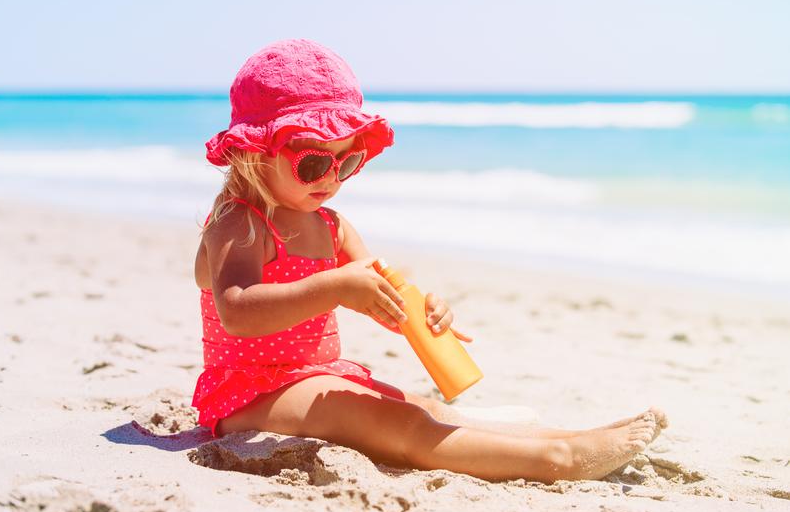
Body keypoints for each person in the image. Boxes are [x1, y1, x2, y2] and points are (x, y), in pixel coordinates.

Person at [191, 38, 667, 483]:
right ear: (255, 151)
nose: (333, 178)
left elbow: (386, 299)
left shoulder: (331, 225)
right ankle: (557, 461)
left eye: (348, 162)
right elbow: (237, 309)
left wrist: (423, 314)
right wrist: (336, 287)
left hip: (315, 377)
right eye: (314, 163)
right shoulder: (240, 222)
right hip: (247, 392)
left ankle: (573, 438)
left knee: (425, 410)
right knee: (393, 423)